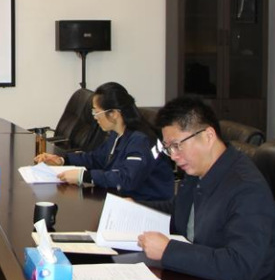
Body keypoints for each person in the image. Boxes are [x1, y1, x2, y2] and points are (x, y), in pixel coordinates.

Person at [137, 96, 275, 280]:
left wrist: (168, 250)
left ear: (208, 136)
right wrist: (136, 207)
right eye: (168, 148)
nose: (174, 156)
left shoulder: (246, 189)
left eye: (177, 146)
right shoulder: (198, 170)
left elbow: (240, 265)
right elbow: (179, 210)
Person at [34, 82, 175, 201]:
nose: (95, 117)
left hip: (146, 205)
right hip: (122, 198)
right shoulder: (117, 133)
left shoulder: (140, 139)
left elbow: (126, 179)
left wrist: (83, 176)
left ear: (114, 114)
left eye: (97, 112)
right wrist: (62, 160)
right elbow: (97, 158)